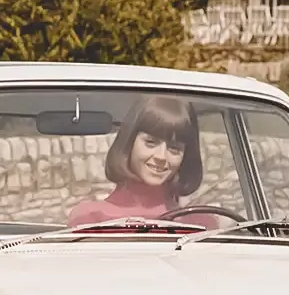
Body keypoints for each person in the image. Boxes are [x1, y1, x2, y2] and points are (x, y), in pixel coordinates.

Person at [67, 96, 220, 229]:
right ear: (129, 143)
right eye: (150, 142)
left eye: (174, 148)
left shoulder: (199, 224)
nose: (161, 156)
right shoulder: (90, 219)